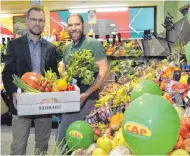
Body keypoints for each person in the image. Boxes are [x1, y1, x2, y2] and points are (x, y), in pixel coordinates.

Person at [2, 7, 59, 155]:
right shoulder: (14, 45)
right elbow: (7, 74)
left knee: (42, 146)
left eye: (40, 20)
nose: (37, 23)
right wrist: (14, 93)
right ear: (27, 21)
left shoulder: (51, 48)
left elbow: (54, 75)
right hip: (21, 102)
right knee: (18, 146)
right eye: (33, 19)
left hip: (44, 103)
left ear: (44, 23)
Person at [56, 14, 109, 146]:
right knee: (70, 138)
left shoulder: (94, 44)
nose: (73, 28)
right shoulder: (67, 48)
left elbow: (103, 71)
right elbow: (65, 71)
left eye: (77, 24)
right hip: (71, 99)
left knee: (62, 137)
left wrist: (87, 94)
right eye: (70, 25)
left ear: (83, 25)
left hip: (88, 98)